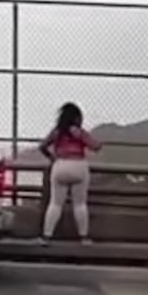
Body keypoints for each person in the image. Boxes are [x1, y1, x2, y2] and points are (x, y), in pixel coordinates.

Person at [38, 102, 102, 245]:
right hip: (78, 165)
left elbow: (42, 146)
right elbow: (96, 146)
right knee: (80, 204)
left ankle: (46, 236)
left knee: (55, 203)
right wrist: (83, 137)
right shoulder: (79, 132)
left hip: (60, 165)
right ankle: (84, 237)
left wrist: (52, 157)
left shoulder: (57, 132)